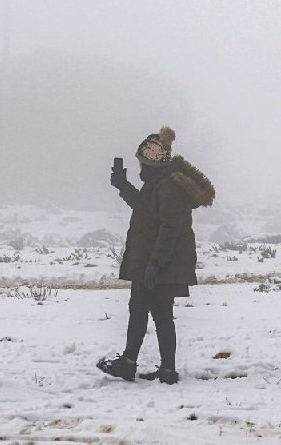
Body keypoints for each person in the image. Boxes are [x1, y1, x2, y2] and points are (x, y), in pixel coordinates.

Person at [97, 127, 215, 384]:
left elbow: (169, 227)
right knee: (148, 312)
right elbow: (145, 208)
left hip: (160, 264)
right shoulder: (159, 183)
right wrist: (123, 185)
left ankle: (144, 366)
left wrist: (155, 264)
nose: (140, 166)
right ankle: (153, 367)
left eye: (142, 160)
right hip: (155, 262)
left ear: (152, 161)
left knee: (152, 313)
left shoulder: (169, 186)